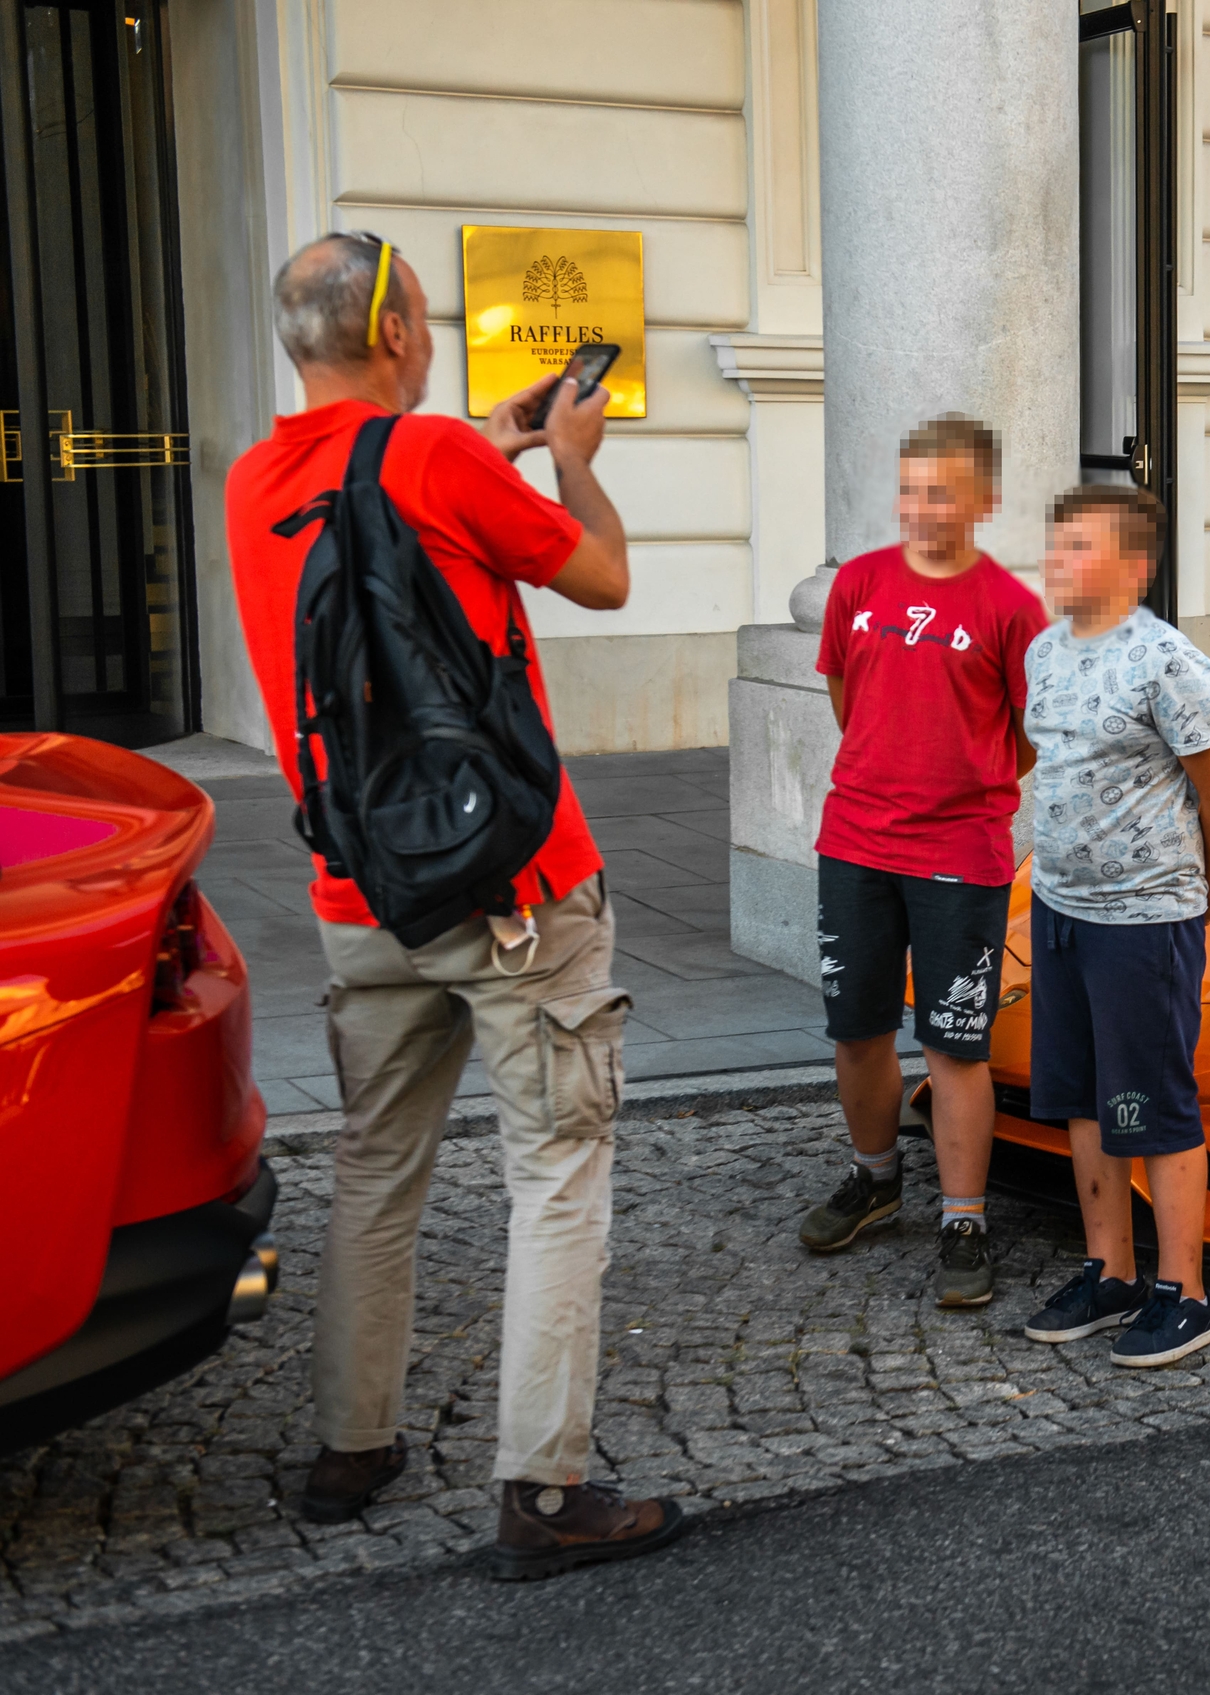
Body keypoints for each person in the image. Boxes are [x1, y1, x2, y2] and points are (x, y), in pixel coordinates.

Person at [226, 232, 682, 1581]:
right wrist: (577, 461)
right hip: (511, 889)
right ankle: (545, 1490)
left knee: (376, 1162)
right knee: (556, 1170)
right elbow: (601, 576)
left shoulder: (256, 478)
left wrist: (495, 445)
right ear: (403, 325)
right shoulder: (439, 462)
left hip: (357, 889)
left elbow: (394, 493)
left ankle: (351, 1443)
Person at [795, 417, 1046, 1308]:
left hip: (959, 852)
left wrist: (962, 783)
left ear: (984, 501)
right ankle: (876, 1178)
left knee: (953, 1042)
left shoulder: (1011, 607)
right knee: (857, 1028)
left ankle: (965, 1218)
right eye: (910, 490)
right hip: (856, 841)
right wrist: (888, 773)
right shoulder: (858, 583)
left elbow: (1028, 736)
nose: (920, 508)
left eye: (940, 492)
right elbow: (843, 691)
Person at [1017, 485, 1210, 1367]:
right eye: (1055, 542)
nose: (1055, 559)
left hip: (1145, 920)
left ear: (1133, 565)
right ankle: (1109, 1270)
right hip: (1061, 908)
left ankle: (1183, 1291)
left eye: (1077, 544)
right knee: (1081, 1098)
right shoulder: (1045, 651)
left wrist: (1204, 887)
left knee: (1151, 1104)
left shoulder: (1169, 662)